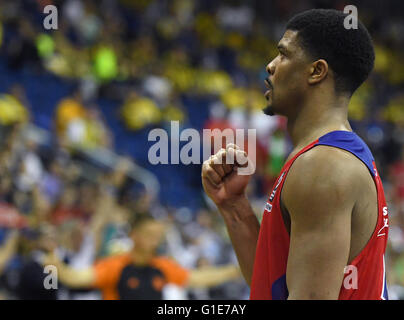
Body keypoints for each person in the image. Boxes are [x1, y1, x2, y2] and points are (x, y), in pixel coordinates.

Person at [201, 9, 389, 300]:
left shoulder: (325, 165)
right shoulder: (323, 156)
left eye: (283, 54)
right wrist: (234, 208)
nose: (271, 65)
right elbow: (274, 283)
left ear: (316, 71)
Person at [44, 214, 241, 300]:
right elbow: (76, 278)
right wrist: (56, 267)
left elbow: (196, 278)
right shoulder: (116, 266)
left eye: (158, 236)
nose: (155, 241)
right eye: (149, 235)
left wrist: (236, 271)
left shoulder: (162, 266)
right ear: (134, 235)